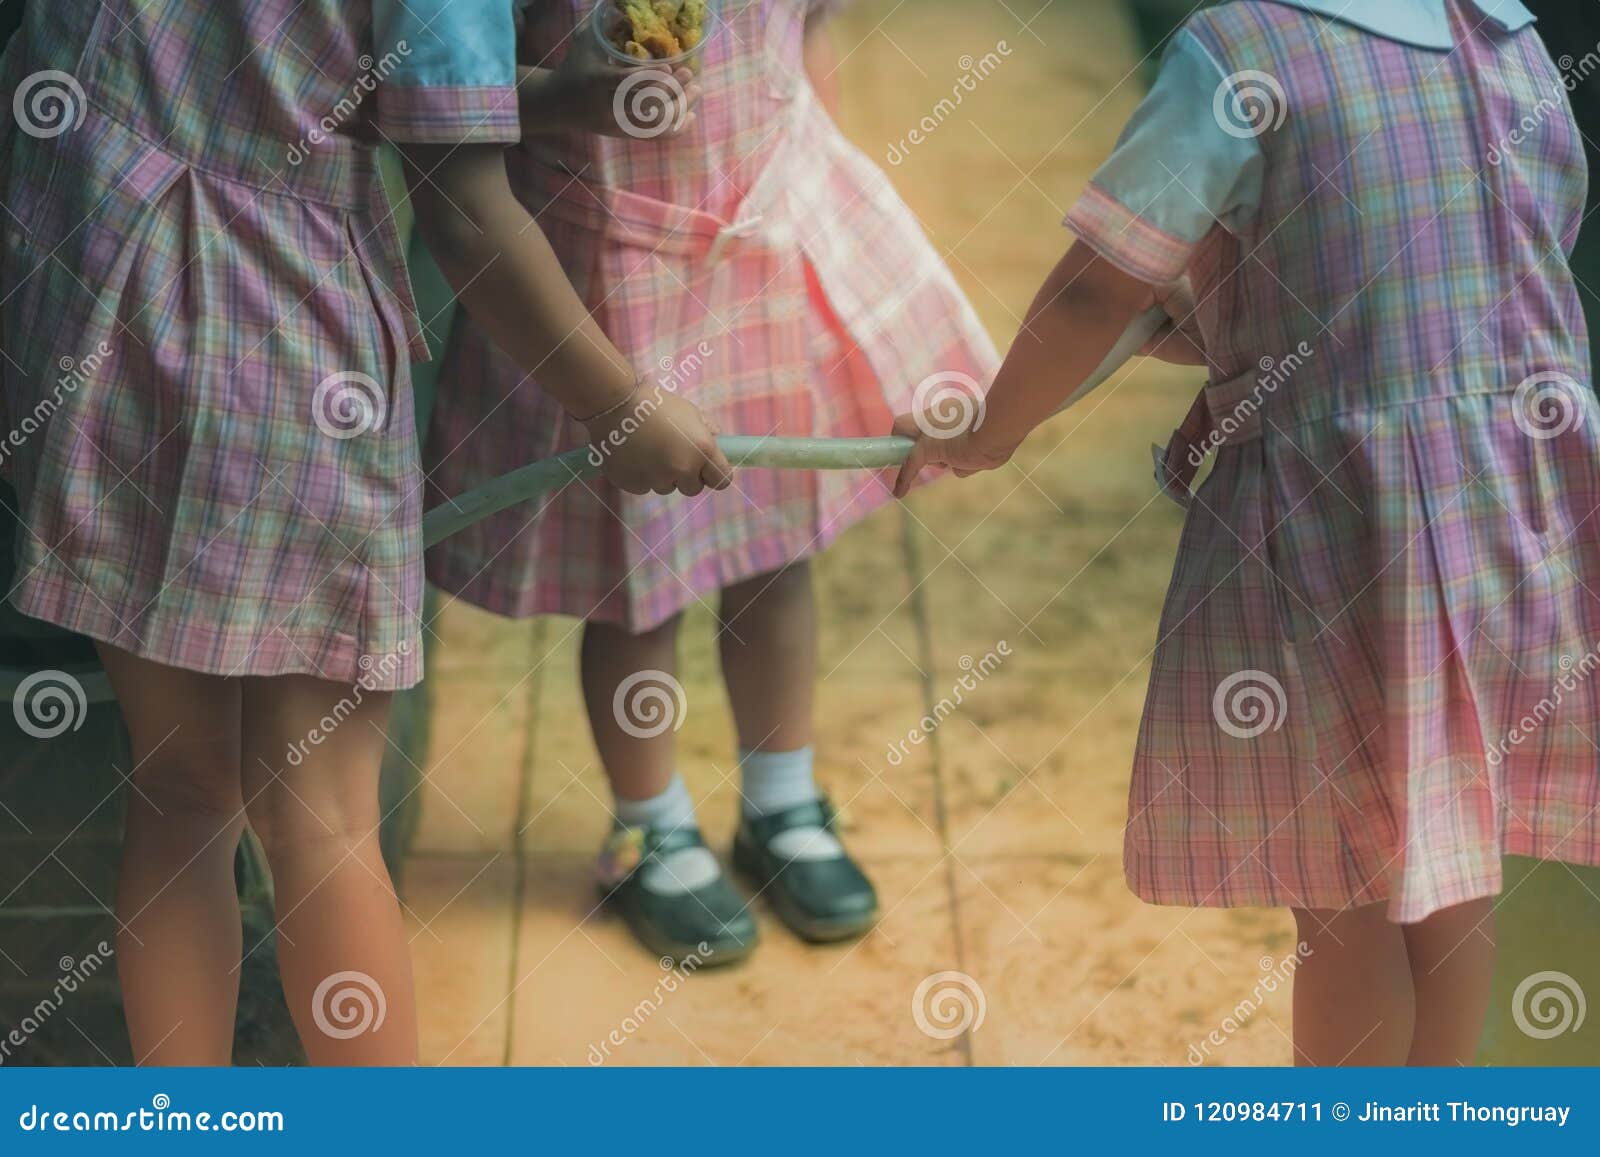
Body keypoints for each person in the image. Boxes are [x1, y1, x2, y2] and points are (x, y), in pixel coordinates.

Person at [0, 0, 723, 1064]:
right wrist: (615, 402)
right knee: (322, 815)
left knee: (178, 784)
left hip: (99, 270)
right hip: (279, 336)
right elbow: (464, 209)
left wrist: (557, 97)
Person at [892, 0, 1594, 1066]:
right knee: (1454, 850)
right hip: (1515, 512)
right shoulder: (1503, 36)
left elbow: (1097, 288)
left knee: (1344, 890)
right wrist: (1244, 329)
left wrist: (990, 428)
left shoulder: (1240, 54)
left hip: (1350, 534)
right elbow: (1446, 278)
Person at [424, 0, 999, 964]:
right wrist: (575, 99)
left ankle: (781, 797)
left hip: (765, 236)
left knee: (774, 549)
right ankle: (651, 822)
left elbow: (807, 27)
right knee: (634, 587)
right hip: (605, 261)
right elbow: (444, 101)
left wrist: (815, 168)